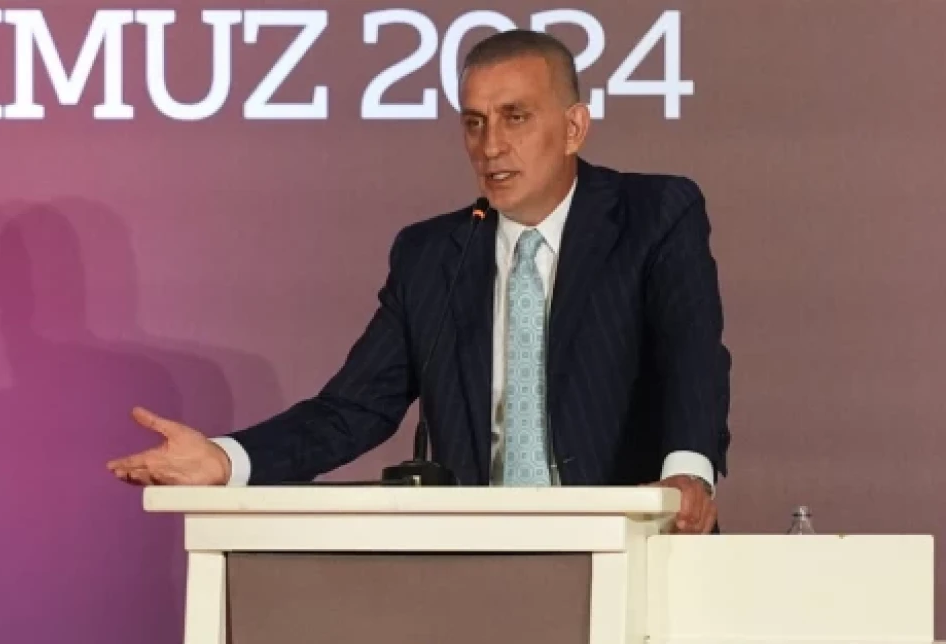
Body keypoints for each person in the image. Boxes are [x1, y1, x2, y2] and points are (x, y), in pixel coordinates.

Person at [108, 29, 730, 534]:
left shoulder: (654, 216)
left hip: (635, 540)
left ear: (573, 128)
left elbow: (693, 356)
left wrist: (687, 475)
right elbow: (353, 409)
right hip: (478, 557)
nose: (491, 145)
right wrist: (227, 459)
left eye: (515, 117)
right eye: (474, 122)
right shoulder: (432, 255)